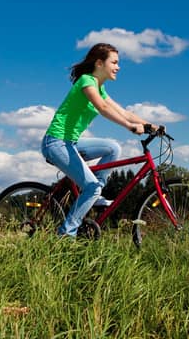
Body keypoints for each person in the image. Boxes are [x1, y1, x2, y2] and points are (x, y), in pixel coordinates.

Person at [42, 43, 160, 238]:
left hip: (70, 142)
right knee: (91, 186)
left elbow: (124, 112)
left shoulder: (100, 88)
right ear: (99, 63)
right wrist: (129, 127)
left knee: (112, 148)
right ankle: (66, 234)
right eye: (114, 62)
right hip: (55, 143)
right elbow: (103, 108)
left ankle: (95, 194)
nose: (118, 67)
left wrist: (152, 125)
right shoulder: (86, 81)